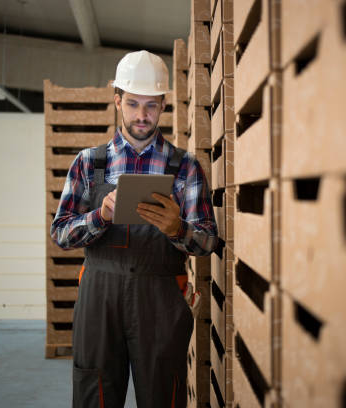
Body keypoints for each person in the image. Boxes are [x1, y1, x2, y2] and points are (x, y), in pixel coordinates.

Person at [50, 50, 218, 408]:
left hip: (159, 296)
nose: (142, 116)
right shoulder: (88, 164)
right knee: (94, 390)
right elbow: (61, 233)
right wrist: (100, 217)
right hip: (100, 295)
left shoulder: (184, 166)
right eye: (133, 104)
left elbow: (206, 240)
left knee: (163, 393)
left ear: (163, 105)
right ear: (117, 101)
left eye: (152, 105)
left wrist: (178, 229)